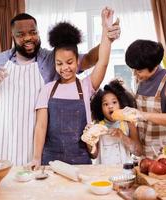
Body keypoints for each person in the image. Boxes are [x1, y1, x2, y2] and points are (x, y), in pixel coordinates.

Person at [0, 13, 121, 166]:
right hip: (6, 140)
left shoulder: (49, 58)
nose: (28, 38)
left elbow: (93, 60)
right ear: (12, 36)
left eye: (33, 32)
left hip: (41, 147)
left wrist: (107, 37)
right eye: (21, 34)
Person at [29, 7, 114, 169]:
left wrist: (105, 30)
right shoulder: (47, 89)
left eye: (69, 62)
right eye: (59, 63)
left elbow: (102, 61)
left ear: (77, 62)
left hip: (81, 158)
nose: (64, 68)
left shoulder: (86, 86)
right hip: (51, 160)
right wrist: (36, 158)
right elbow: (40, 126)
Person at [124, 39, 166, 158]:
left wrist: (143, 115)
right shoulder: (141, 80)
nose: (135, 74)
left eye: (139, 70)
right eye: (134, 70)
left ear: (154, 65)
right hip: (145, 153)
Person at [89, 79, 142, 164]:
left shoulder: (129, 123)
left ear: (121, 103)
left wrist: (122, 136)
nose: (110, 106)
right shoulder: (97, 126)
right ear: (100, 108)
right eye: (105, 104)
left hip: (125, 173)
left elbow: (138, 152)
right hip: (103, 173)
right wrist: (89, 139)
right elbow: (94, 155)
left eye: (114, 102)